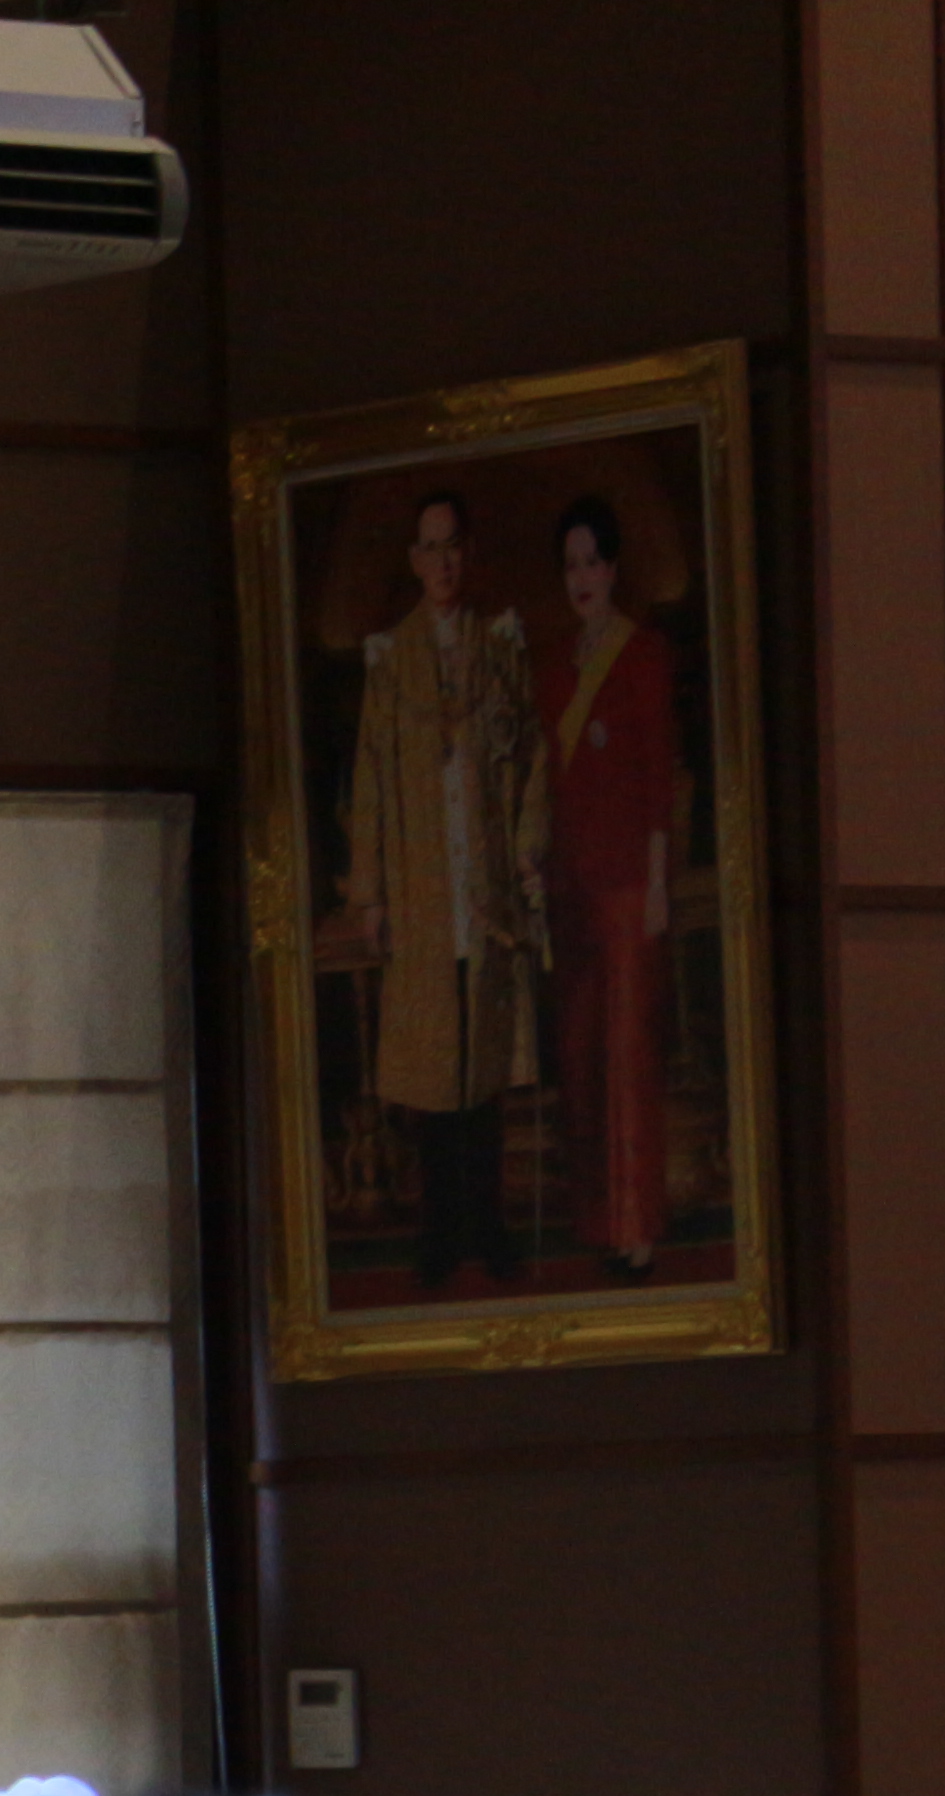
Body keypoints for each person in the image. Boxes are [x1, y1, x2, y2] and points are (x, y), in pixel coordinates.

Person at [339, 487, 544, 1293]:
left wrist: (527, 857)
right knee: (433, 1074)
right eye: (430, 547)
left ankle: (487, 1229)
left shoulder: (500, 644)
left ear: (468, 551)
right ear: (415, 560)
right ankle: (438, 1232)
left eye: (454, 543)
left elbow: (530, 757)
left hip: (484, 891)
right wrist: (372, 895)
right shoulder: (391, 657)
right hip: (423, 894)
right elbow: (369, 780)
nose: (444, 561)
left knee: (482, 1073)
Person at [538, 493, 686, 1282]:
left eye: (593, 562)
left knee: (628, 1060)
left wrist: (658, 883)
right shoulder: (553, 666)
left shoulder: (644, 654)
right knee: (584, 1058)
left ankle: (638, 1229)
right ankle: (599, 1222)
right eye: (571, 565)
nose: (582, 577)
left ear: (614, 567)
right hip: (570, 886)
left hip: (630, 886)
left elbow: (658, 777)